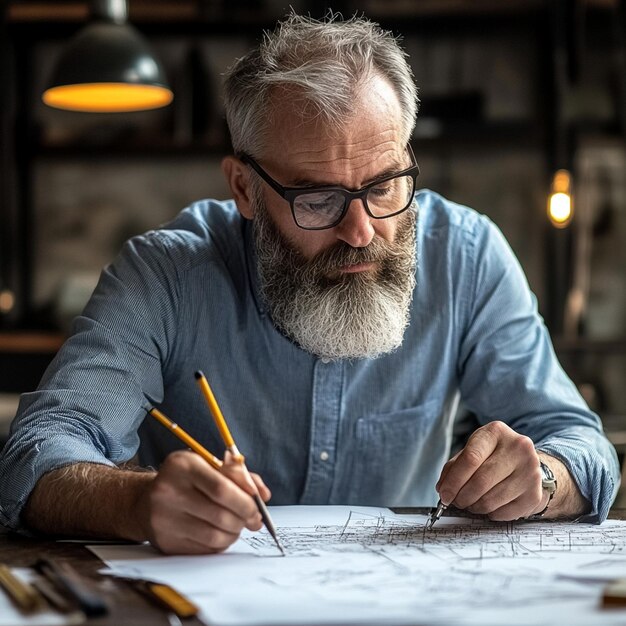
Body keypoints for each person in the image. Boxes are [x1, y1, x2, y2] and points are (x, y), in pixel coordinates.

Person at [0, 13, 619, 554]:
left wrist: (540, 480)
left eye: (383, 187)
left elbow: (582, 447)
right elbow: (35, 454)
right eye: (318, 199)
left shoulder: (467, 256)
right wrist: (135, 502)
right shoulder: (167, 275)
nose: (361, 231)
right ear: (244, 188)